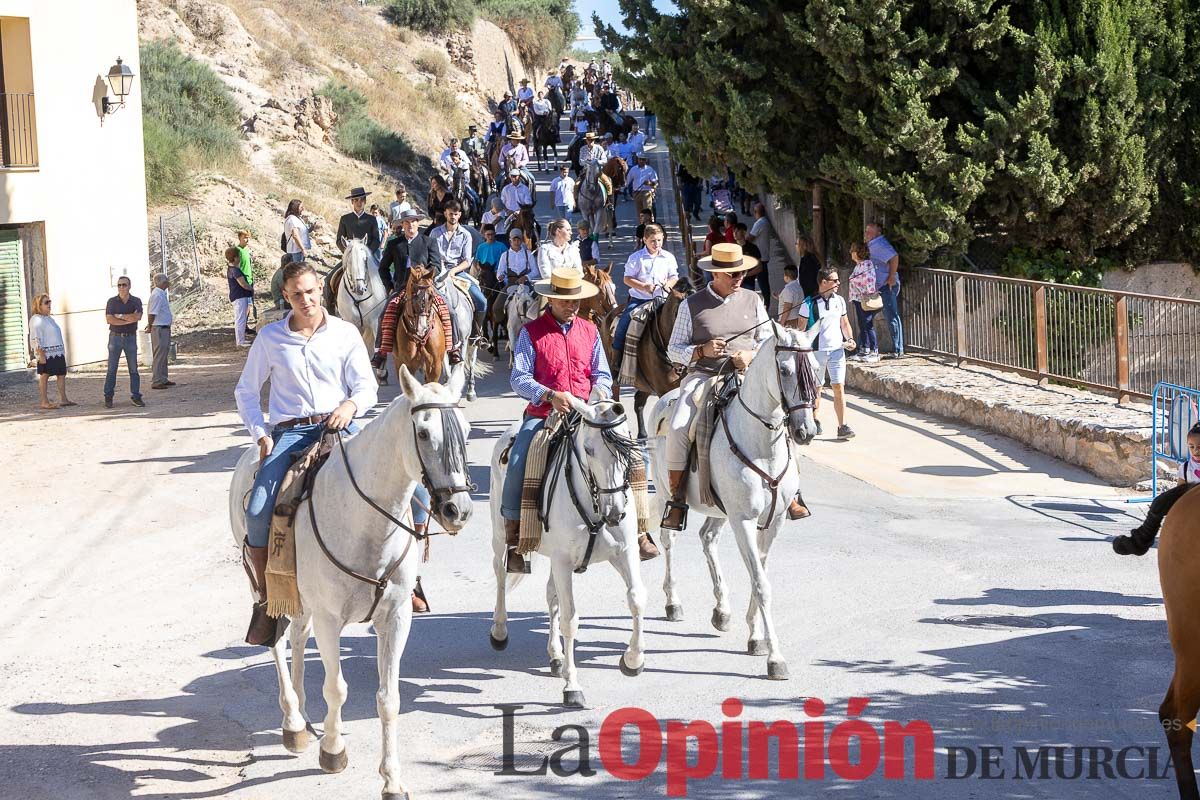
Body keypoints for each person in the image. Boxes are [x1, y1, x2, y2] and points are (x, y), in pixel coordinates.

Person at [234, 261, 389, 643]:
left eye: (311, 291)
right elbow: (246, 392)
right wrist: (260, 434)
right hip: (291, 433)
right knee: (257, 511)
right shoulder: (270, 338)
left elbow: (365, 386)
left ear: (322, 289)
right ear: (285, 296)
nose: (306, 300)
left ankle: (410, 580)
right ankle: (268, 601)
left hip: (342, 425)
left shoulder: (344, 332)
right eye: (297, 294)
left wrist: (350, 407)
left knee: (411, 491)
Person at [503, 266, 659, 572]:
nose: (572, 305)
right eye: (565, 300)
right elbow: (518, 378)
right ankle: (515, 537)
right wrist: (548, 394)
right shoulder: (531, 333)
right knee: (520, 458)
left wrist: (597, 395)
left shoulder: (589, 331)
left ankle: (640, 529)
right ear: (551, 300)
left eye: (575, 300)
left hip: (589, 412)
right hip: (546, 413)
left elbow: (601, 373)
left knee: (635, 457)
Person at [663, 243, 811, 528]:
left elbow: (768, 340)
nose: (738, 278)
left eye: (741, 272)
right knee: (680, 426)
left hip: (746, 375)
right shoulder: (690, 305)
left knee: (783, 415)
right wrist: (700, 351)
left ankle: (793, 491)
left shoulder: (753, 300)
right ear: (716, 274)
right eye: (732, 274)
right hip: (704, 377)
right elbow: (673, 349)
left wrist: (751, 356)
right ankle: (677, 498)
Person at [375, 208, 455, 367]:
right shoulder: (394, 244)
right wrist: (390, 287)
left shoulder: (429, 242)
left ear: (418, 223)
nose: (410, 225)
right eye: (407, 222)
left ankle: (453, 349)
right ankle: (381, 352)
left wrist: (427, 274)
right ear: (402, 225)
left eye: (413, 222)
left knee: (449, 311)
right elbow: (383, 268)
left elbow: (437, 265)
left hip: (425, 287)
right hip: (402, 288)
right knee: (385, 314)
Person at [1113, 423, 1200, 556]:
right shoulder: (1186, 467)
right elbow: (1180, 489)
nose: (1196, 451)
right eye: (1192, 447)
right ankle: (1140, 541)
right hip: (1190, 496)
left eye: (1199, 447)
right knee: (1159, 503)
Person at [798, 267, 856, 440]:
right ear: (823, 282)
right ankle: (815, 420)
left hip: (837, 350)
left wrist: (850, 338)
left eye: (838, 280)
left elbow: (844, 323)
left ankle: (842, 426)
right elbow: (801, 329)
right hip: (817, 352)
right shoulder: (808, 303)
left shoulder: (839, 301)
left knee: (839, 387)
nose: (838, 283)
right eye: (835, 280)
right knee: (817, 389)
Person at [614, 224, 678, 373]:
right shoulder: (636, 258)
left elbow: (674, 276)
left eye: (660, 240)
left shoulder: (668, 257)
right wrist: (644, 287)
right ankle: (616, 358)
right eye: (653, 241)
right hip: (640, 299)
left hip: (663, 299)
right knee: (624, 323)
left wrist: (667, 285)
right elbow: (627, 279)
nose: (657, 244)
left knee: (680, 318)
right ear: (644, 240)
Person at [430, 200, 487, 347]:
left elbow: (467, 261)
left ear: (460, 215)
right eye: (450, 214)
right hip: (437, 271)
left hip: (458, 272)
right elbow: (431, 255)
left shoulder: (466, 235)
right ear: (445, 214)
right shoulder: (435, 233)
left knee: (482, 301)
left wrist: (453, 272)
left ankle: (476, 333)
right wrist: (441, 270)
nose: (453, 217)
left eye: (455, 214)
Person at [103, 277, 144, 409]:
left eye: (124, 285)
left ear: (129, 286)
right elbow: (110, 319)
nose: (121, 287)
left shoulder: (136, 301)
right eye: (119, 285)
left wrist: (119, 316)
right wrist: (127, 318)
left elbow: (137, 317)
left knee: (133, 368)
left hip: (130, 337)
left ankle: (136, 396)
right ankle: (108, 396)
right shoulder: (111, 301)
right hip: (115, 338)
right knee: (111, 368)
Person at [28, 294, 73, 410]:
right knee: (44, 376)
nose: (49, 304)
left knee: (61, 374)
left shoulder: (48, 318)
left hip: (57, 351)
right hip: (46, 353)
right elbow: (35, 338)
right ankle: (44, 401)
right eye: (46, 303)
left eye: (50, 302)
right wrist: (40, 354)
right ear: (39, 305)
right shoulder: (36, 319)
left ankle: (64, 399)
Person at [866, 221, 903, 357]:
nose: (866, 234)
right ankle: (868, 347)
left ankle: (897, 350)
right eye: (866, 231)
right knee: (869, 317)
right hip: (879, 286)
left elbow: (894, 257)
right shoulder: (874, 244)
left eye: (870, 231)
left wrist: (891, 276)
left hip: (886, 285)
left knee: (891, 316)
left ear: (878, 232)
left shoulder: (879, 244)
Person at [847, 241, 880, 362]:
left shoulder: (866, 264)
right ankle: (865, 348)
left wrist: (857, 285)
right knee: (862, 324)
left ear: (857, 252)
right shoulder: (858, 265)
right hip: (857, 299)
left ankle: (874, 350)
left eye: (853, 250)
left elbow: (868, 282)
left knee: (868, 323)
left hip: (864, 299)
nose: (851, 253)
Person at [145, 273, 174, 389]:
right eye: (166, 281)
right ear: (162, 282)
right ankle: (157, 380)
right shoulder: (157, 295)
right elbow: (152, 312)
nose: (168, 282)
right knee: (159, 354)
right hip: (159, 328)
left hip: (163, 327)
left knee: (163, 353)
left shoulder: (160, 294)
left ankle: (163, 378)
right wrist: (150, 325)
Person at [336, 187, 381, 258]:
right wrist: (348, 251)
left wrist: (368, 252)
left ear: (365, 201)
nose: (359, 203)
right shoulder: (345, 219)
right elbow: (339, 240)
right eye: (356, 200)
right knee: (335, 269)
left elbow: (376, 239)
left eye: (362, 200)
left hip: (368, 256)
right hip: (350, 257)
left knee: (380, 268)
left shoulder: (372, 219)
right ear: (352, 202)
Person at [745, 202, 774, 308]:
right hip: (762, 256)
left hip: (760, 258)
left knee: (763, 285)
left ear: (756, 212)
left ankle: (766, 306)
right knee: (762, 283)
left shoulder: (760, 223)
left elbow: (749, 238)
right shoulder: (763, 222)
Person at [228, 246, 256, 347]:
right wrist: (251, 289)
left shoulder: (233, 268)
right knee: (240, 319)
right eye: (238, 256)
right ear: (235, 258)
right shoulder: (235, 270)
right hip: (239, 296)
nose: (240, 258)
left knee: (241, 318)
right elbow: (243, 284)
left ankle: (242, 339)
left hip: (239, 296)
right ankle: (240, 341)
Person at [497, 228, 539, 292]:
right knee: (499, 301)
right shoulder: (505, 255)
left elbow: (535, 271)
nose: (516, 242)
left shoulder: (528, 254)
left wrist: (526, 277)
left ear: (522, 240)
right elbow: (500, 271)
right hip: (510, 284)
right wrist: (501, 276)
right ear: (510, 241)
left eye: (518, 240)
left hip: (525, 284)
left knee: (538, 299)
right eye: (514, 240)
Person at [777, 264, 805, 329]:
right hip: (797, 318)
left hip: (788, 321)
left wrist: (781, 323)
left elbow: (787, 307)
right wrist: (779, 298)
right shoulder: (799, 287)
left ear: (786, 277)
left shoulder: (788, 289)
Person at [283, 199, 310, 264]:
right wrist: (303, 249)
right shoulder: (293, 219)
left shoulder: (295, 218)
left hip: (296, 250)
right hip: (296, 251)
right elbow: (295, 235)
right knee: (297, 271)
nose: (303, 209)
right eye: (301, 207)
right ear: (295, 208)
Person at [796, 234, 822, 299]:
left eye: (797, 244)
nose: (796, 246)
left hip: (811, 296)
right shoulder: (809, 258)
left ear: (803, 246)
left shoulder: (808, 260)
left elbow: (808, 281)